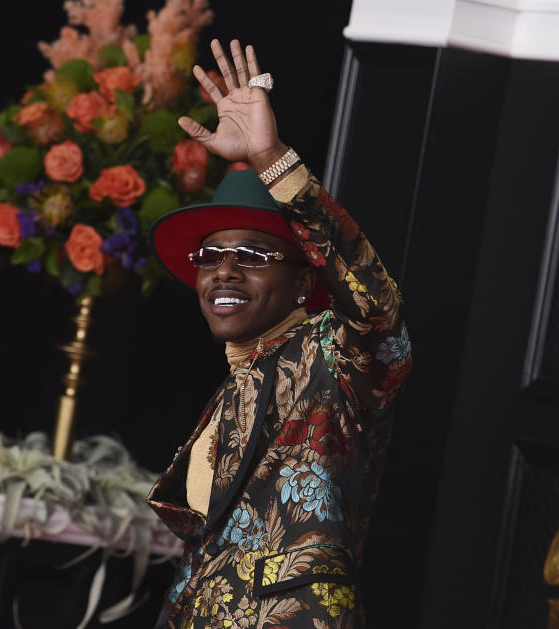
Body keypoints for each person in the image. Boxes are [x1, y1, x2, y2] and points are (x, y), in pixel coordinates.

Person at [147, 38, 411, 629]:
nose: (224, 270)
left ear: (301, 281)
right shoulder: (232, 386)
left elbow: (377, 308)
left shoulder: (333, 357)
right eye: (211, 254)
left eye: (253, 254)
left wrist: (272, 157)